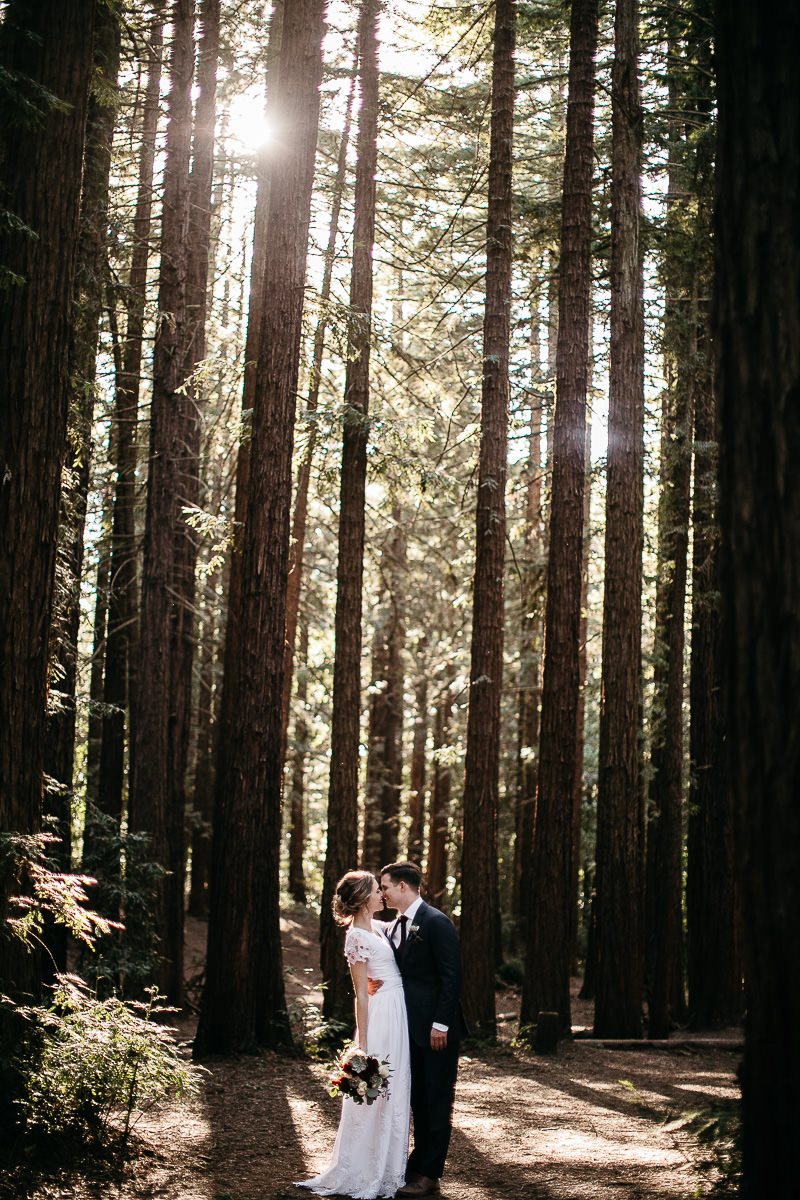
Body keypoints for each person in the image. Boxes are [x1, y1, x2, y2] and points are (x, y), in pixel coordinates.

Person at [296, 870, 411, 1199]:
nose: (382, 895)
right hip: (382, 1017)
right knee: (375, 1093)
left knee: (397, 1088)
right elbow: (361, 993)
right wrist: (363, 1045)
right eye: (377, 891)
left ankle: (391, 1168)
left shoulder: (376, 927)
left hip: (397, 1011)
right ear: (363, 900)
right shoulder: (356, 937)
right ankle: (364, 1170)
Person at [379, 861, 467, 1199]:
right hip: (410, 1032)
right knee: (418, 1100)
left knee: (437, 1101)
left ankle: (430, 1174)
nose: (382, 893)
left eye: (385, 887)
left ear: (403, 886)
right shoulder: (399, 923)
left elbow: (451, 977)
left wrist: (440, 1023)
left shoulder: (436, 922)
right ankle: (417, 1163)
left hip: (436, 1032)